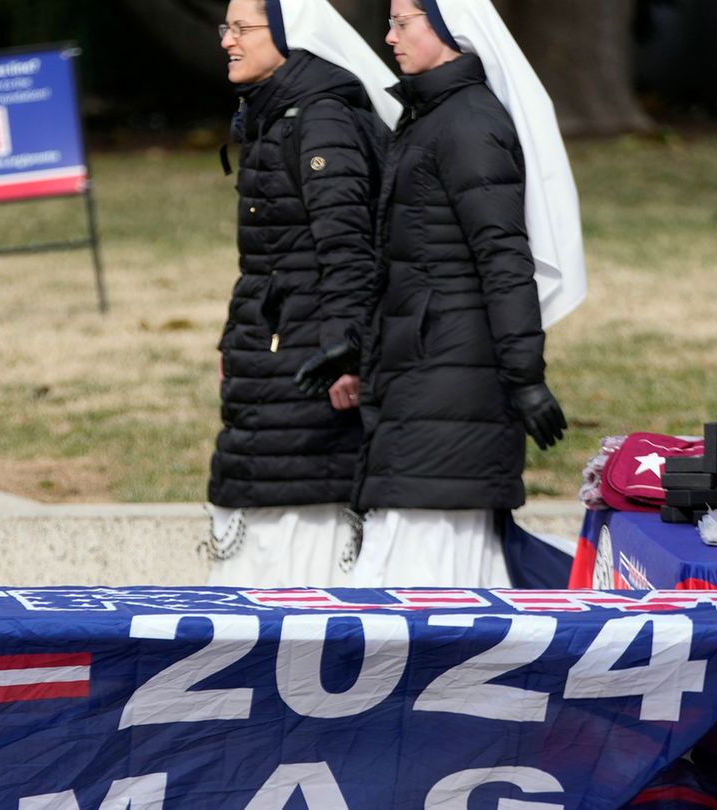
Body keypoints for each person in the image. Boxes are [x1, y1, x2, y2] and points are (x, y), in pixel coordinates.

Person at [308, 0, 583, 587]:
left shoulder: (467, 124)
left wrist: (525, 377)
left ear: (450, 28)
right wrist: (357, 345)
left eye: (402, 21)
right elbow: (416, 264)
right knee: (417, 560)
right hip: (426, 371)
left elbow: (505, 260)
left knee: (433, 571)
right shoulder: (432, 116)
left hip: (454, 378)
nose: (388, 37)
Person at [205, 0, 400, 586]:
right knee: (271, 482)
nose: (227, 42)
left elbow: (347, 246)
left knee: (302, 498)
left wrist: (347, 350)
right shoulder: (279, 115)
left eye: (242, 29)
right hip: (276, 345)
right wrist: (232, 341)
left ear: (290, 36)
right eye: (227, 28)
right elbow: (271, 260)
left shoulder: (320, 120)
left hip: (311, 355)